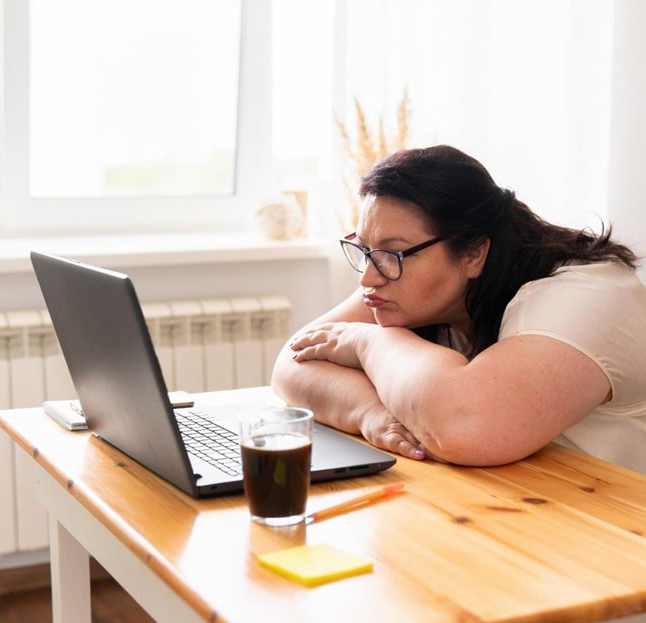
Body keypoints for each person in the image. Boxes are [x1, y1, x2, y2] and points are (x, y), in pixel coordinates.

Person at [271, 145, 646, 473]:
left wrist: (364, 342)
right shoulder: (399, 283)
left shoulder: (584, 295)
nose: (368, 277)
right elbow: (294, 360)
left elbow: (465, 426)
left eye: (392, 252)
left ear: (473, 253)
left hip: (615, 522)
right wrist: (371, 412)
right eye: (365, 249)